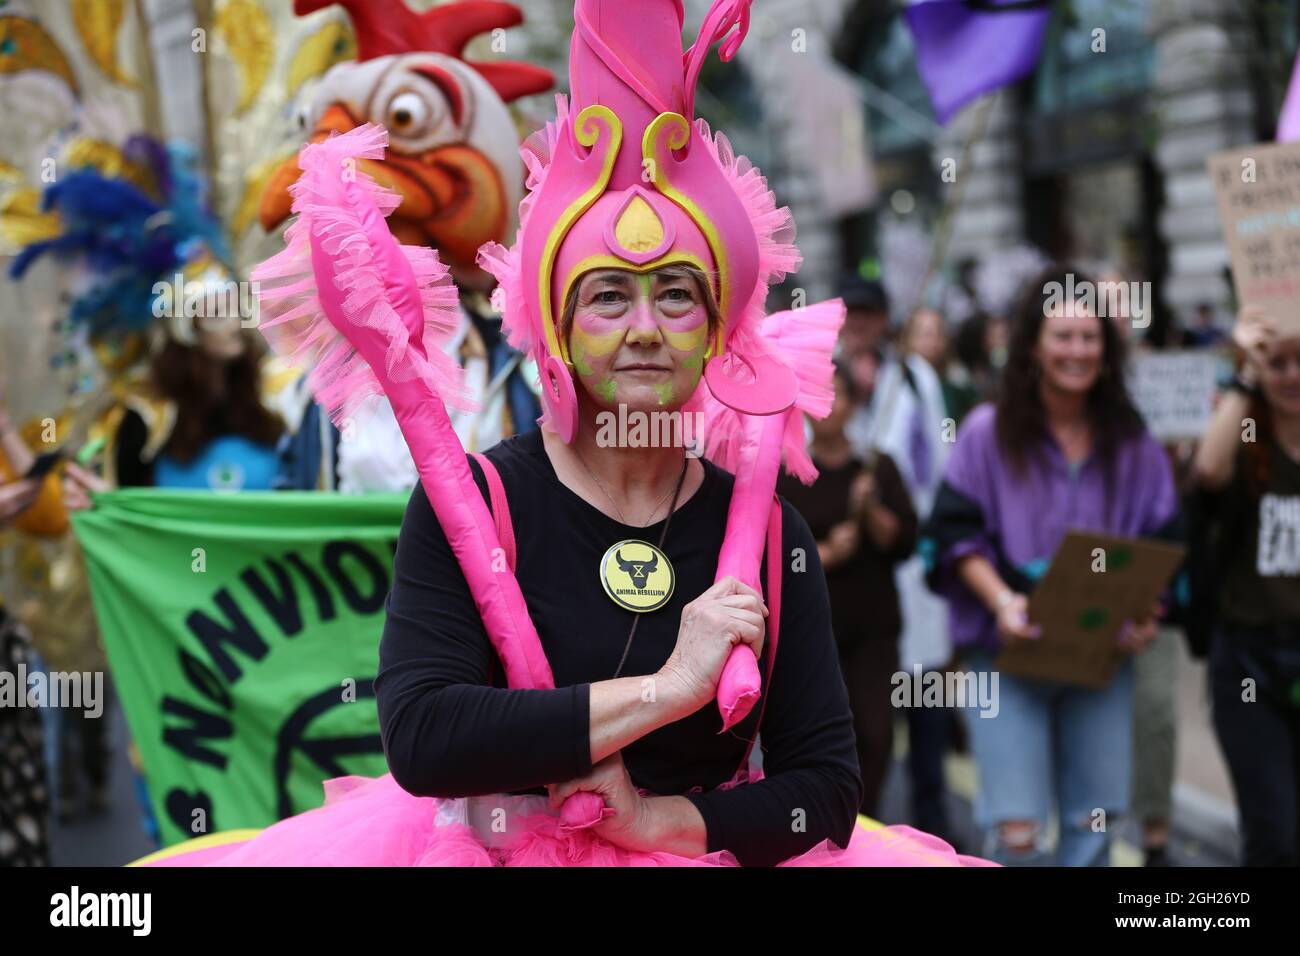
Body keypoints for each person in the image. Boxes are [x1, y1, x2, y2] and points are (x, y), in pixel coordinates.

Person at [150, 0, 991, 867]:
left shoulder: (774, 537)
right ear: (556, 328)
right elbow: (426, 736)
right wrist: (669, 688)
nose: (644, 327)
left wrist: (663, 825)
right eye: (607, 297)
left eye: (675, 295)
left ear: (714, 331)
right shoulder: (477, 502)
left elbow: (825, 793)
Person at [921, 264, 1179, 866]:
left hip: (1101, 656)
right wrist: (1002, 601)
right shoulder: (986, 433)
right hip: (1007, 653)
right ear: (1032, 344)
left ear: (1106, 348)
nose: (1077, 350)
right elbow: (951, 536)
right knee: (1018, 833)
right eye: (1063, 336)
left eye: (1090, 337)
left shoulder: (1132, 440)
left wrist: (1149, 614)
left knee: (1094, 825)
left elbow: (1164, 539)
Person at [778, 362, 916, 819]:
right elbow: (770, 551)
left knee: (874, 734)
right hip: (814, 631)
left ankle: (866, 822)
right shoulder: (789, 470)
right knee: (816, 738)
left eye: (837, 396)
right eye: (819, 397)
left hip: (874, 629)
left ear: (854, 404)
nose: (828, 408)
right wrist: (825, 552)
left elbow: (908, 542)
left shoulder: (877, 467)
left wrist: (872, 509)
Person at [1192, 306, 1300, 866]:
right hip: (1249, 661)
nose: (1290, 376)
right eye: (1277, 363)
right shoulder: (1247, 433)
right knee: (1274, 833)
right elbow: (1207, 472)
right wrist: (1245, 372)